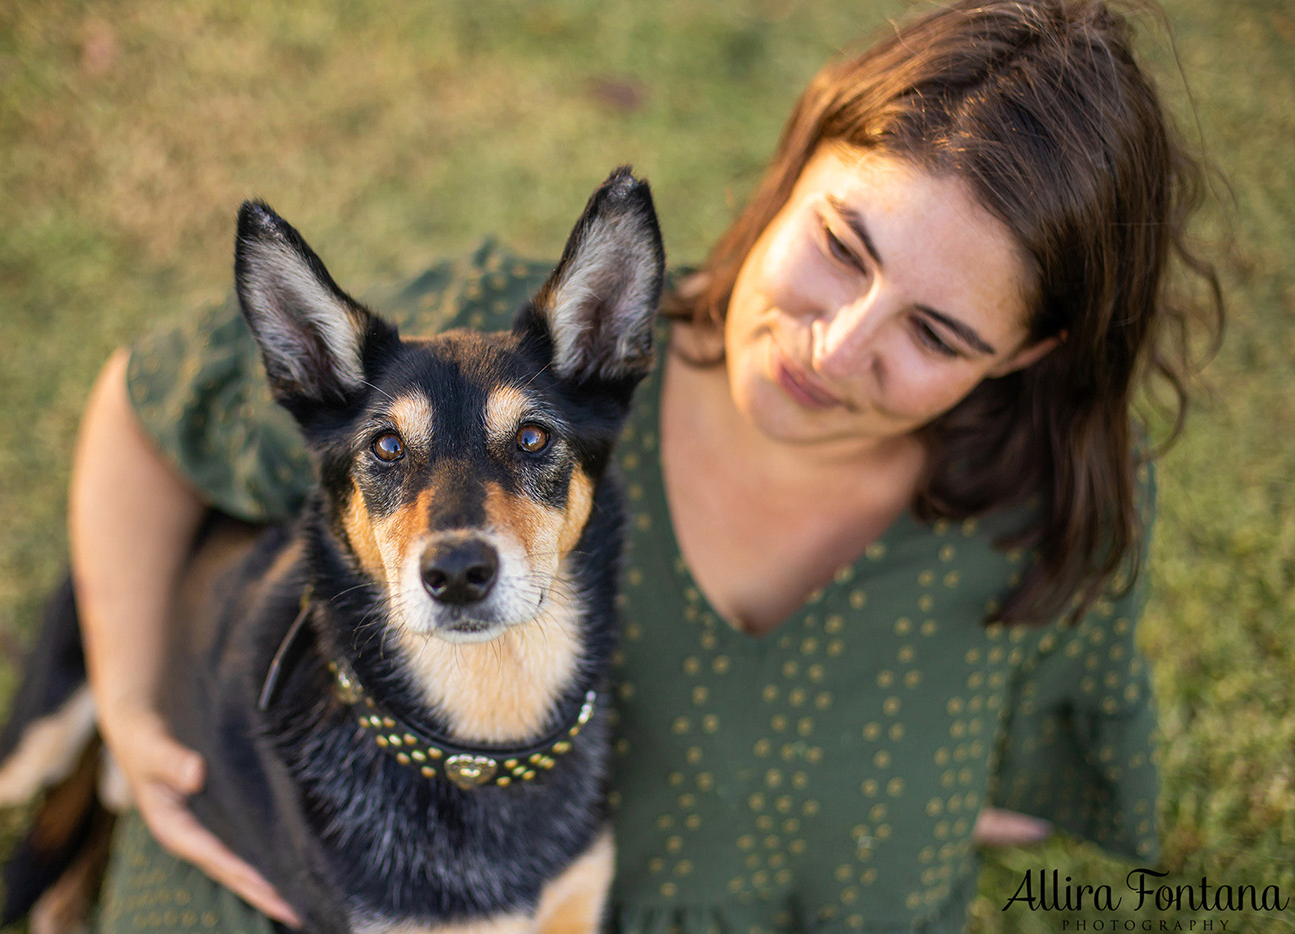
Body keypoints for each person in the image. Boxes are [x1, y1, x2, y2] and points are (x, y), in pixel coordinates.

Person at [70, 0, 1222, 930]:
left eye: (936, 333)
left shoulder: (1043, 515)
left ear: (1025, 354)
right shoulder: (480, 348)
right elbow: (139, 408)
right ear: (797, 154)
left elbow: (1018, 785)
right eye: (839, 247)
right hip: (281, 869)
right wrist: (121, 706)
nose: (835, 346)